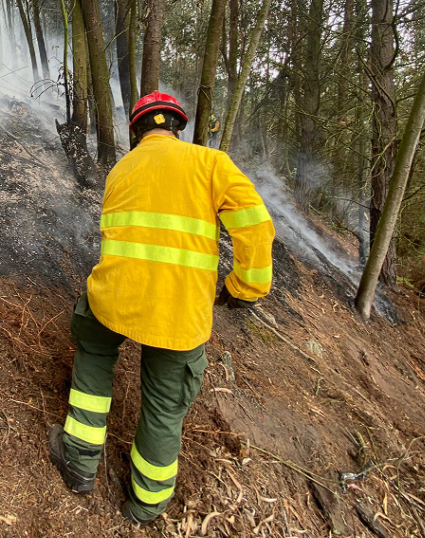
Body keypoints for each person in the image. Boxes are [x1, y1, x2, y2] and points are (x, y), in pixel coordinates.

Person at [48, 91, 276, 525]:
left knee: (94, 347)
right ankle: (146, 503)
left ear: (136, 131)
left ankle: (78, 459)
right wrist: (245, 287)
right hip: (179, 314)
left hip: (115, 299)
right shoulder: (211, 165)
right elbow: (257, 229)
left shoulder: (120, 169)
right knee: (165, 403)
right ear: (178, 126)